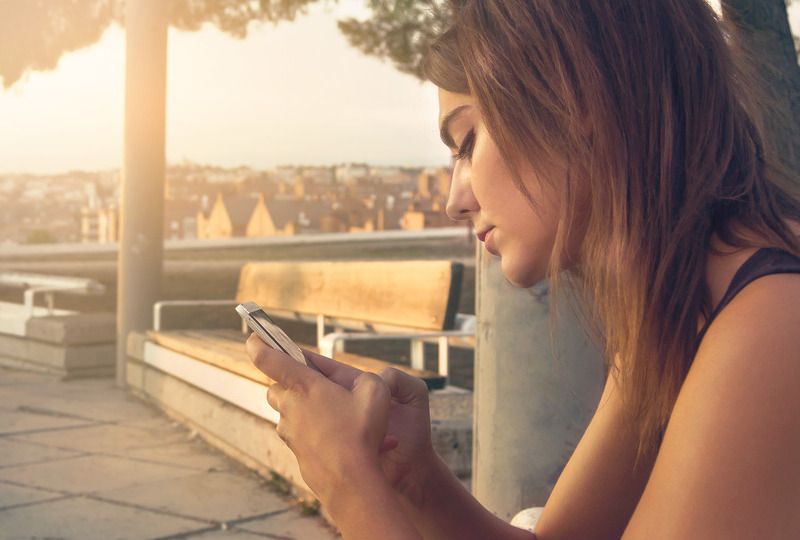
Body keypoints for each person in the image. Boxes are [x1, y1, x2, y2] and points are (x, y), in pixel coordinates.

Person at [246, 1, 800, 538]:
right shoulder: (677, 305)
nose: (455, 201)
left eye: (466, 142)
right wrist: (413, 479)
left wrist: (350, 487)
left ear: (574, 100)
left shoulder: (774, 326)